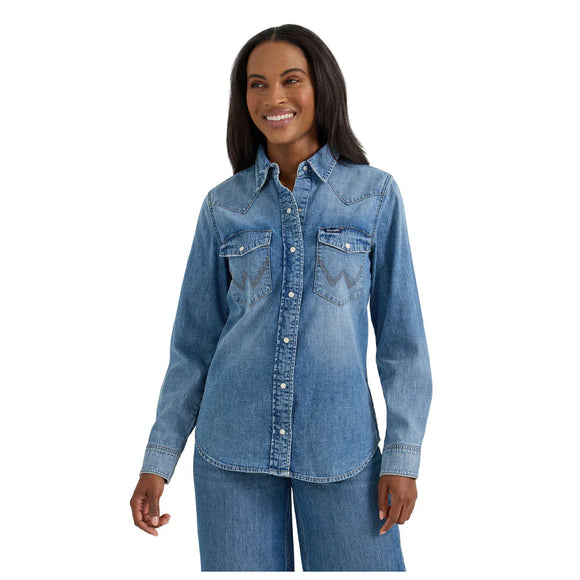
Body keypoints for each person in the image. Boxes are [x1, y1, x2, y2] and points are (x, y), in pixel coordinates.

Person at [130, 23, 432, 572]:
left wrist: (403, 456)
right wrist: (159, 459)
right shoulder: (224, 207)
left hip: (343, 451)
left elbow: (402, 343)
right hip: (231, 454)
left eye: (291, 80)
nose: (273, 98)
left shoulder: (374, 196)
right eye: (257, 84)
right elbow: (193, 348)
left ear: (321, 87)